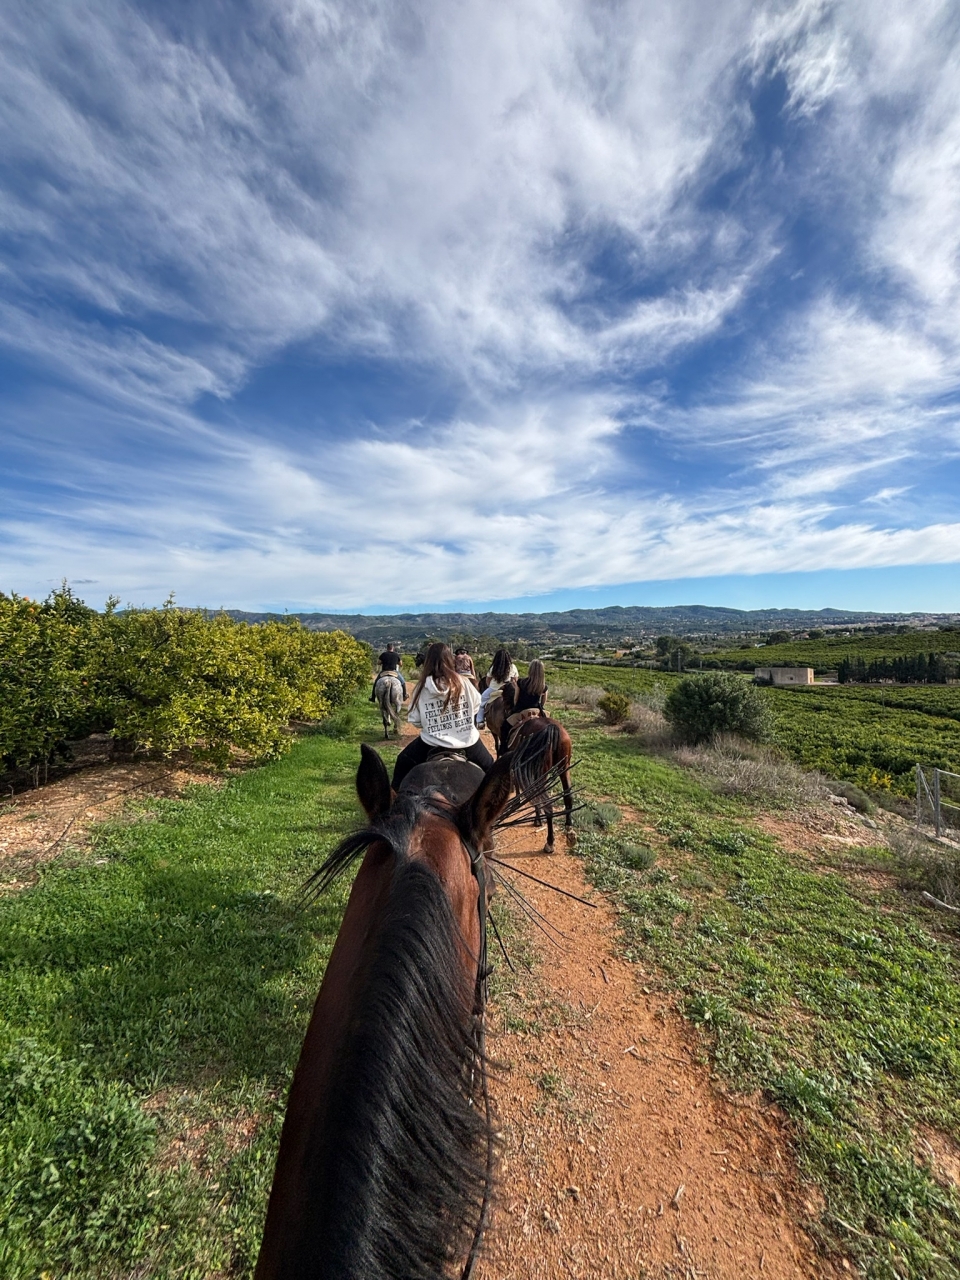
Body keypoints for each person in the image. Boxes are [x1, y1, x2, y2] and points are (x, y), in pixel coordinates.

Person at [392, 642, 493, 789]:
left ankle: (393, 800)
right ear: (450, 660)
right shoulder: (464, 682)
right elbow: (476, 705)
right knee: (492, 771)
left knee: (402, 763)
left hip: (430, 743)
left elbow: (415, 720)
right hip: (467, 741)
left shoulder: (421, 687)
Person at [499, 659, 548, 754]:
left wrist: (515, 707)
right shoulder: (543, 686)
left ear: (530, 670)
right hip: (538, 711)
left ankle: (503, 749)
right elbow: (543, 702)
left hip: (523, 711)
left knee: (504, 727)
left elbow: (515, 699)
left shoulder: (521, 682)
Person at [477, 647, 520, 727]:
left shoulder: (494, 667)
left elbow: (488, 679)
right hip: (509, 690)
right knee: (518, 701)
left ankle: (480, 721)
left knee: (481, 702)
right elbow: (515, 679)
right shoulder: (513, 667)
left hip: (494, 689)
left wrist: (490, 687)